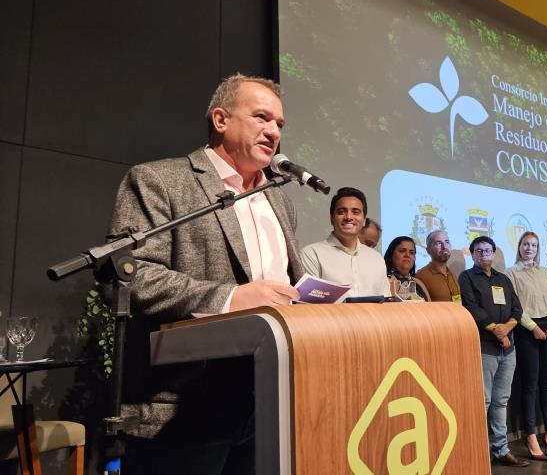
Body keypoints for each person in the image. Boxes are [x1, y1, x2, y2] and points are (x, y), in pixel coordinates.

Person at [109, 74, 302, 474]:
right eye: (262, 117)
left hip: (268, 403)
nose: (273, 131)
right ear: (220, 120)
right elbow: (133, 275)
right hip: (186, 407)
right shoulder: (160, 180)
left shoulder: (280, 201)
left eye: (279, 124)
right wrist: (232, 299)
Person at [458, 236, 529, 468]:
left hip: (508, 349)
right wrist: (497, 332)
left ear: (494, 253)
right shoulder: (467, 277)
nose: (484, 254)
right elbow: (471, 308)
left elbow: (517, 309)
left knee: (501, 401)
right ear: (472, 254)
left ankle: (501, 449)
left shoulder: (503, 279)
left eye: (488, 250)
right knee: (484, 400)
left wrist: (507, 328)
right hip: (485, 346)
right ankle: (480, 450)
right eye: (479, 251)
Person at [506, 232, 547, 460]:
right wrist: (533, 328)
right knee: (529, 386)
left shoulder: (544, 272)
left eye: (533, 245)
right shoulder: (512, 272)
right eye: (525, 244)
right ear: (519, 246)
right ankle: (530, 436)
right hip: (527, 330)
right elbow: (516, 306)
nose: (529, 248)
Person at [299, 187, 391, 297]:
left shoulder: (376, 258)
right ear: (332, 218)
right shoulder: (312, 254)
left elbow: (386, 300)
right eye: (341, 212)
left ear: (364, 221)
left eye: (355, 212)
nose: (348, 217)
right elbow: (310, 304)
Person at [416, 230, 461, 303]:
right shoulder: (421, 276)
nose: (444, 246)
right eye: (438, 243)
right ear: (428, 250)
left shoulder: (452, 275)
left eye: (447, 242)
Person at [383, 236, 430, 300]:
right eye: (402, 251)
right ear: (391, 255)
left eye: (411, 252)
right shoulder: (384, 280)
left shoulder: (419, 283)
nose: (407, 255)